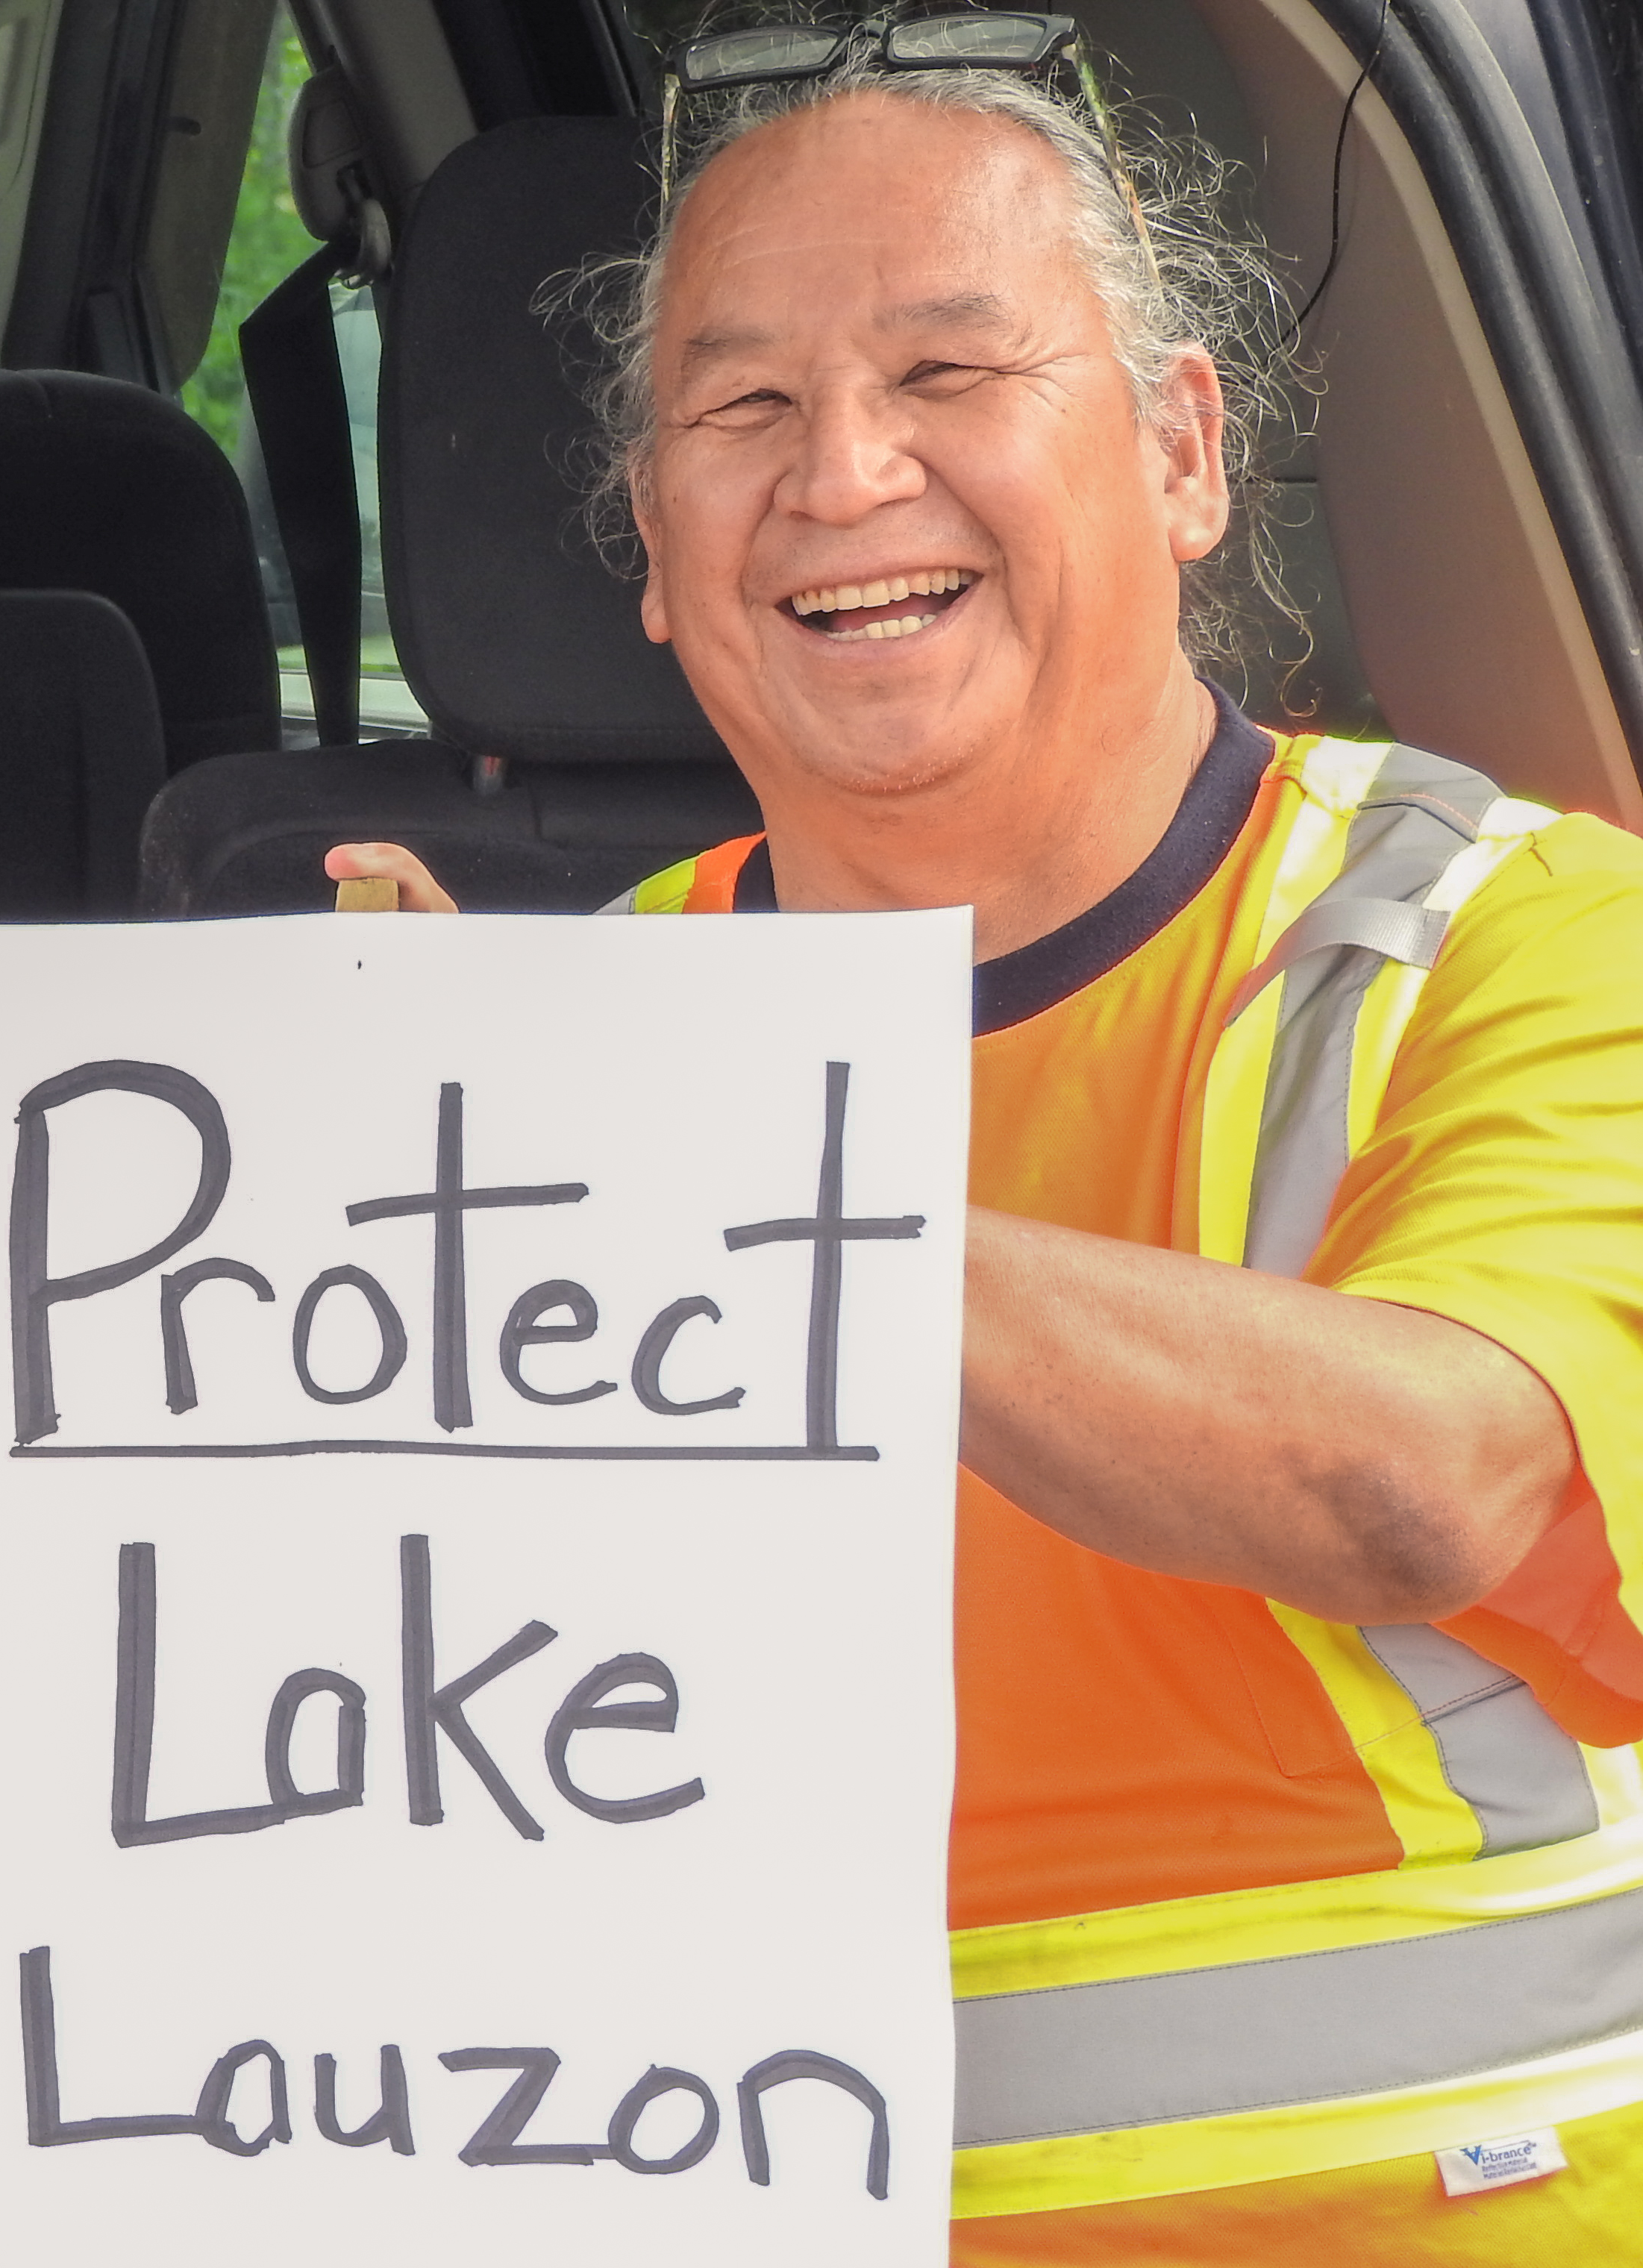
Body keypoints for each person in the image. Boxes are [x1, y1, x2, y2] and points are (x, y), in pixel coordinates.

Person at [323, 25, 1643, 2263]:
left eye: (951, 372)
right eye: (741, 411)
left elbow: (1429, 1477)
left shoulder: (1511, 935)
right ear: (655, 552)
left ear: (1182, 454)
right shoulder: (530, 1053)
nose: (842, 474)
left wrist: (664, 1147)